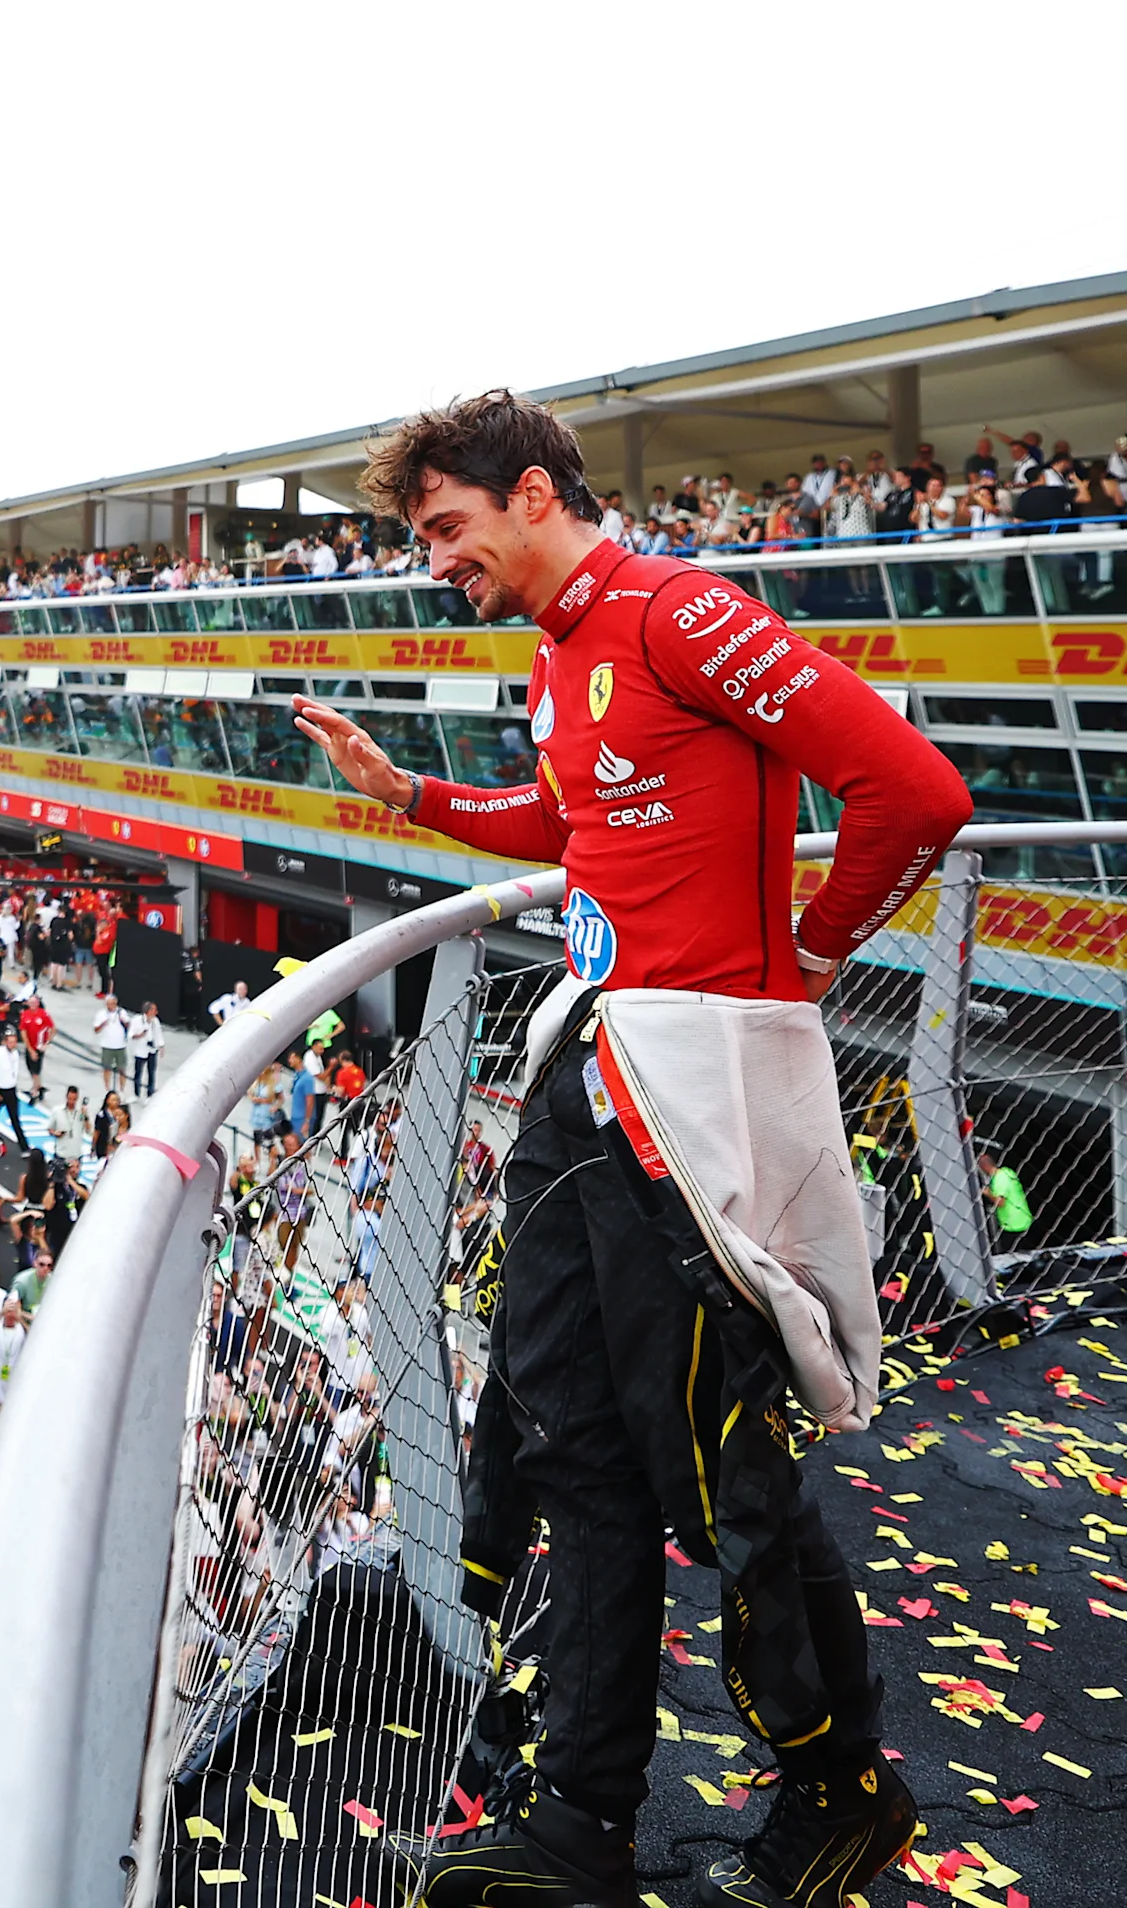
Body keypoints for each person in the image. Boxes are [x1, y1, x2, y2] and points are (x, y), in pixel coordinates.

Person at [296, 388, 969, 1908]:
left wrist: (808, 951)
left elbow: (915, 790)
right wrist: (406, 795)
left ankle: (841, 1792)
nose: (435, 563)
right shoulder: (559, 655)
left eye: (447, 530)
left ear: (535, 494)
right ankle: (579, 1822)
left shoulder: (680, 615)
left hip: (679, 1107)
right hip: (583, 1085)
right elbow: (566, 824)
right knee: (563, 1446)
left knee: (716, 1468)